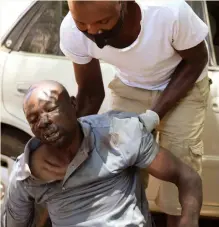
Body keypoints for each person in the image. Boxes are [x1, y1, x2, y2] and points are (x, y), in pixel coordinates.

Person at [57, 1, 210, 226]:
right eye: (82, 23)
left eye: (102, 21)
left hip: (183, 84)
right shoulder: (71, 31)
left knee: (179, 170)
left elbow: (197, 60)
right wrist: (69, 143)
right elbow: (90, 93)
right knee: (122, 170)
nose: (92, 31)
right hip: (131, 86)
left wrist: (153, 115)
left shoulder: (168, 12)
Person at [3, 80, 202, 227]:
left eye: (50, 109)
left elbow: (187, 177)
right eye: (33, 118)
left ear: (73, 104)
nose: (43, 121)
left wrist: (189, 220)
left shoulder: (118, 134)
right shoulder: (27, 175)